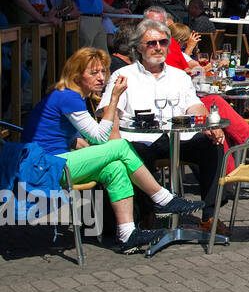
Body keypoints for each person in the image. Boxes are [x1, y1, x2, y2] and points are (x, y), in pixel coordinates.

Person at [21, 48, 203, 252]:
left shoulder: (71, 96)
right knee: (120, 146)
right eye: (93, 73)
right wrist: (114, 98)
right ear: (76, 75)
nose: (101, 78)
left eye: (103, 72)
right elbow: (99, 136)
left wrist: (103, 152)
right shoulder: (69, 97)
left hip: (51, 162)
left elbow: (76, 141)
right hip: (45, 167)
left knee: (115, 166)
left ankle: (127, 235)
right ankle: (162, 198)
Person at [104, 19, 228, 234]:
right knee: (138, 152)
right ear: (138, 47)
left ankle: (209, 216)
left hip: (178, 138)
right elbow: (108, 109)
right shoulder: (123, 75)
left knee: (212, 145)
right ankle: (148, 213)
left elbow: (195, 105)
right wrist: (113, 137)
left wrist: (208, 124)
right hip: (140, 139)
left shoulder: (179, 76)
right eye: (151, 43)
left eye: (163, 42)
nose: (158, 47)